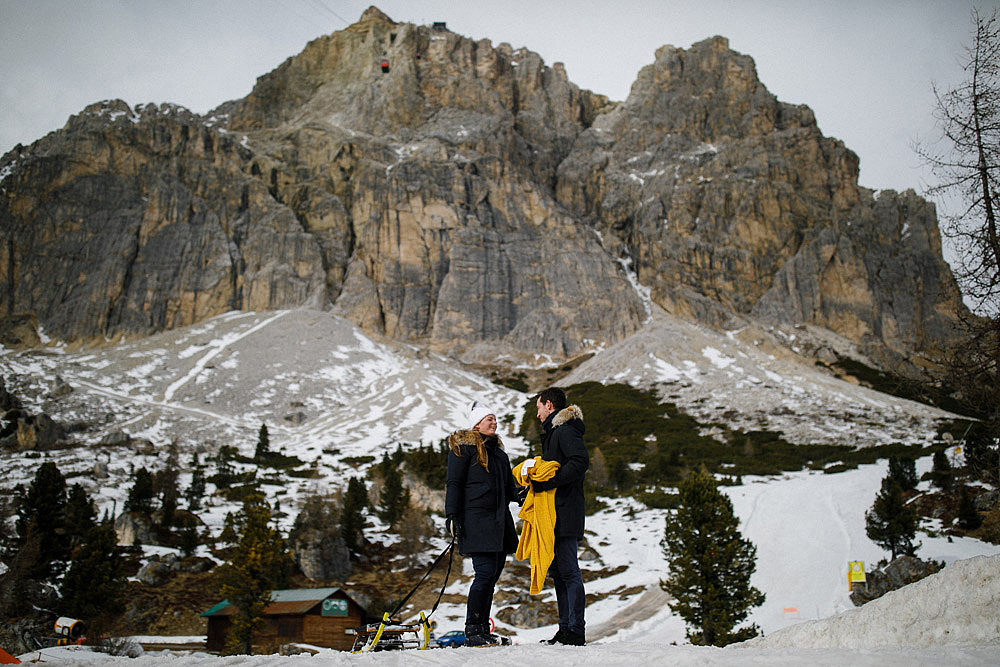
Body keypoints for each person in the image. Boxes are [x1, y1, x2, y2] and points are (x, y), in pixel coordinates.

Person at [445, 400, 520, 647]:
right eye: (490, 419)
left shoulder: (499, 454)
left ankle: (481, 629)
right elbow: (454, 483)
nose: (495, 423)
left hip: (499, 522)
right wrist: (452, 516)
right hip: (476, 520)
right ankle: (473, 629)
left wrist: (527, 493)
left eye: (495, 419)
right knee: (485, 574)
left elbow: (510, 489)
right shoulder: (464, 449)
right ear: (476, 423)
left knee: (491, 576)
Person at [531, 387, 589, 646]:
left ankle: (575, 629)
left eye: (539, 407)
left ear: (550, 405)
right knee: (558, 572)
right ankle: (565, 628)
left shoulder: (564, 431)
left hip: (565, 512)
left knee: (568, 571)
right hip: (554, 513)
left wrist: (551, 482)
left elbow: (580, 462)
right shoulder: (555, 433)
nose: (537, 413)